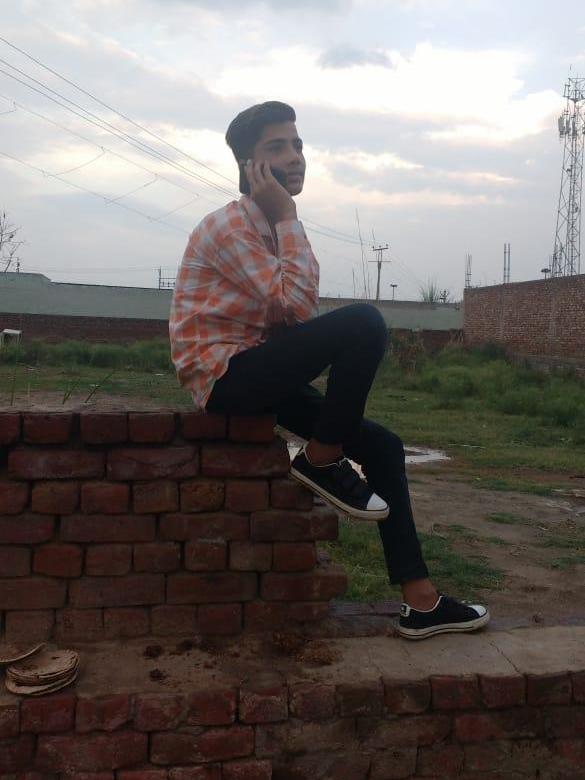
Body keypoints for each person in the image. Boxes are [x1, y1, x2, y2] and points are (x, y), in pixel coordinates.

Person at [169, 101, 489, 640]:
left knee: (383, 446)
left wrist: (285, 229)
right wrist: (288, 216)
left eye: (298, 145)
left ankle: (421, 602)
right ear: (251, 165)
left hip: (256, 367)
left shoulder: (274, 228)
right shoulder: (231, 226)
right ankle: (320, 461)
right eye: (278, 147)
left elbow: (296, 311)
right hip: (226, 377)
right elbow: (299, 307)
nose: (295, 157)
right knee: (364, 322)